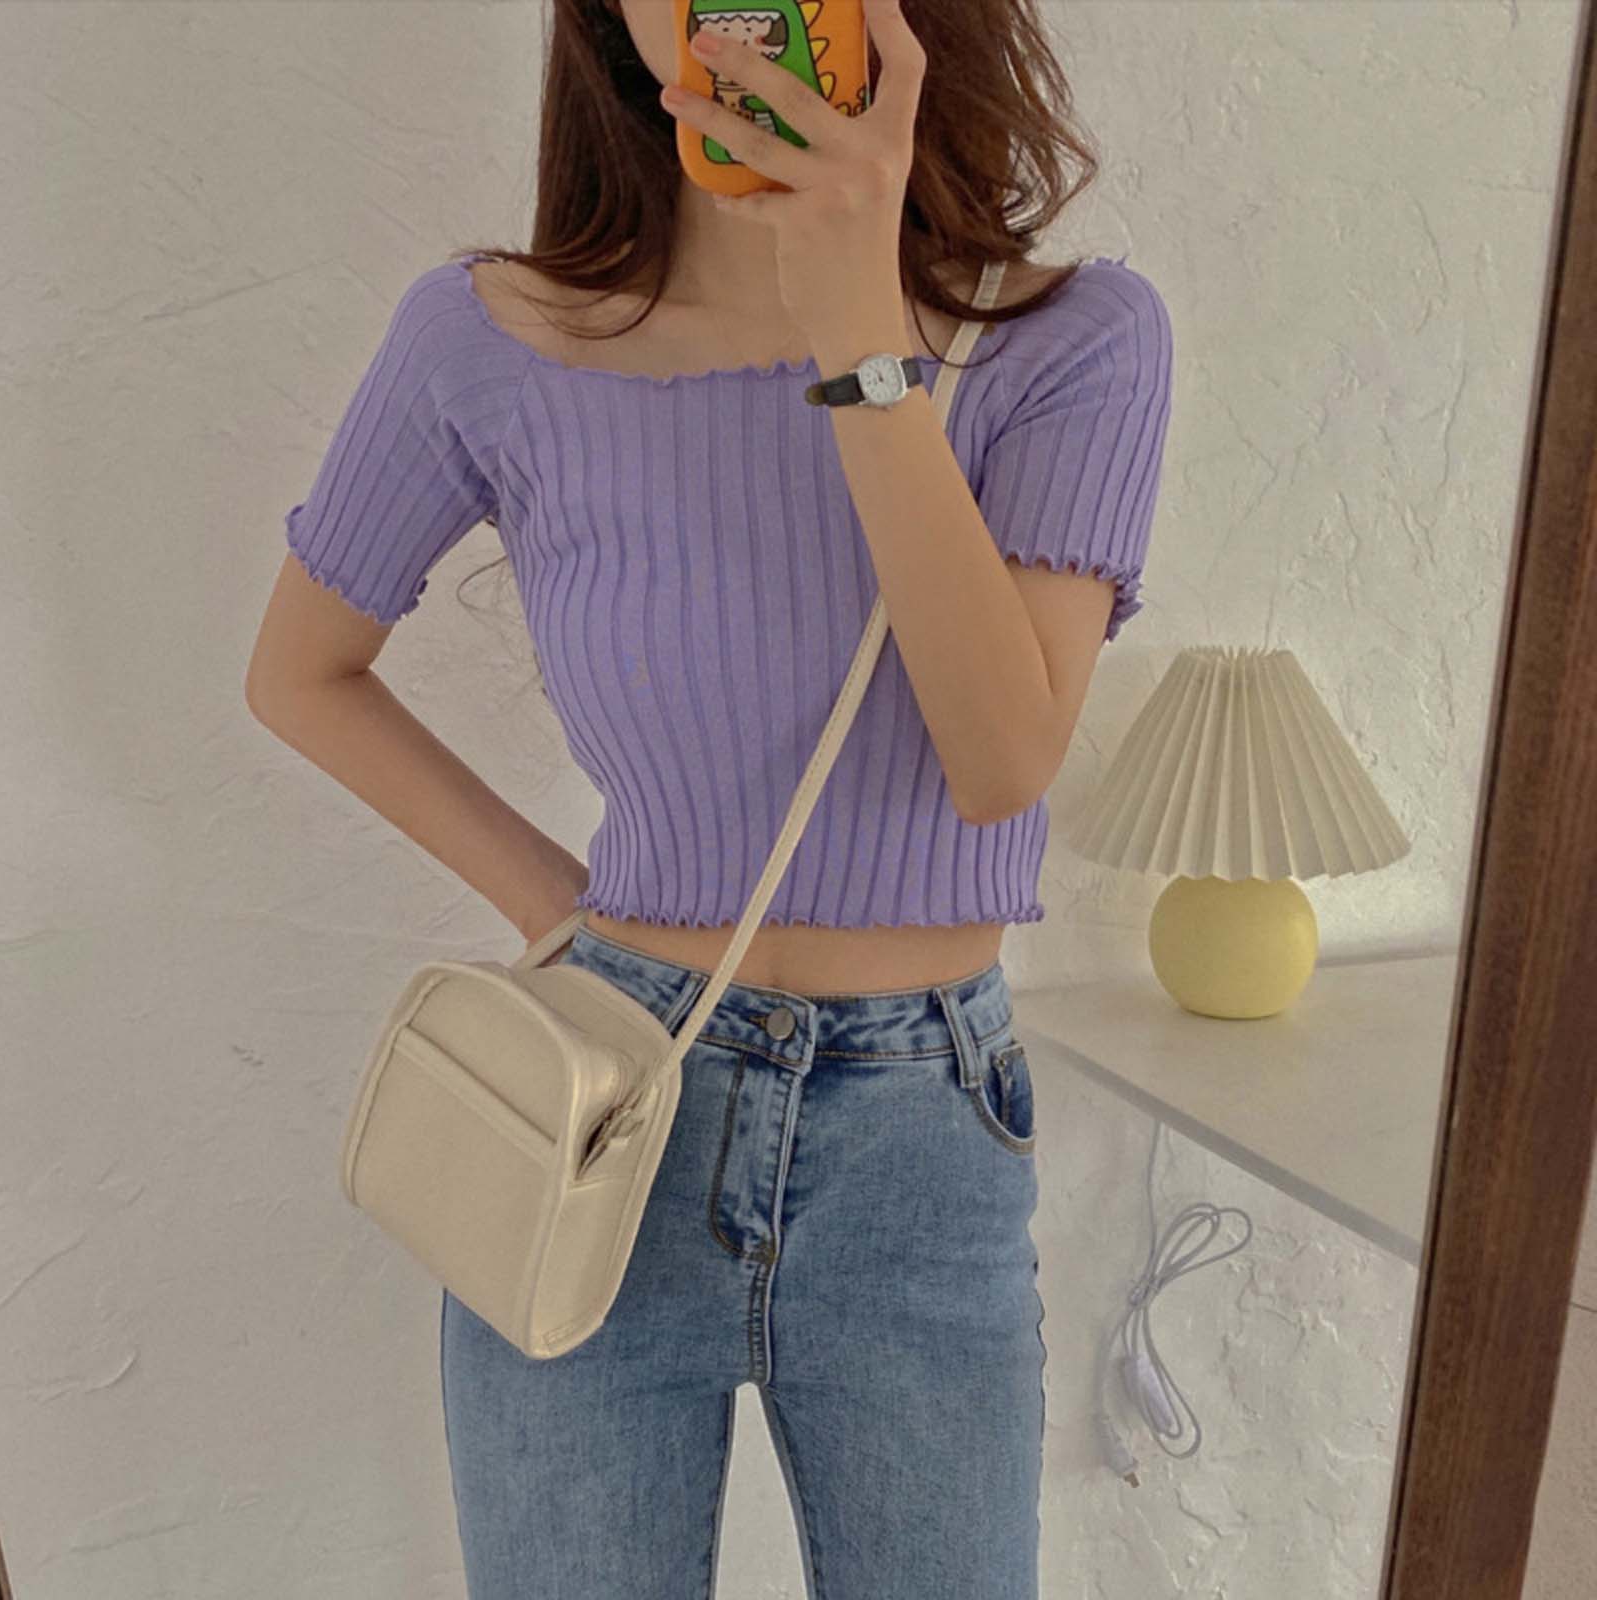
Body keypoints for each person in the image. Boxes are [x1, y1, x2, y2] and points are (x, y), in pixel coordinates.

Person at [245, 2, 1173, 1595]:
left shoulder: (1072, 342)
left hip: (920, 1139)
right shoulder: (489, 340)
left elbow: (1002, 758)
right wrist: (566, 912)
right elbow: (300, 673)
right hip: (601, 1109)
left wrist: (855, 322)